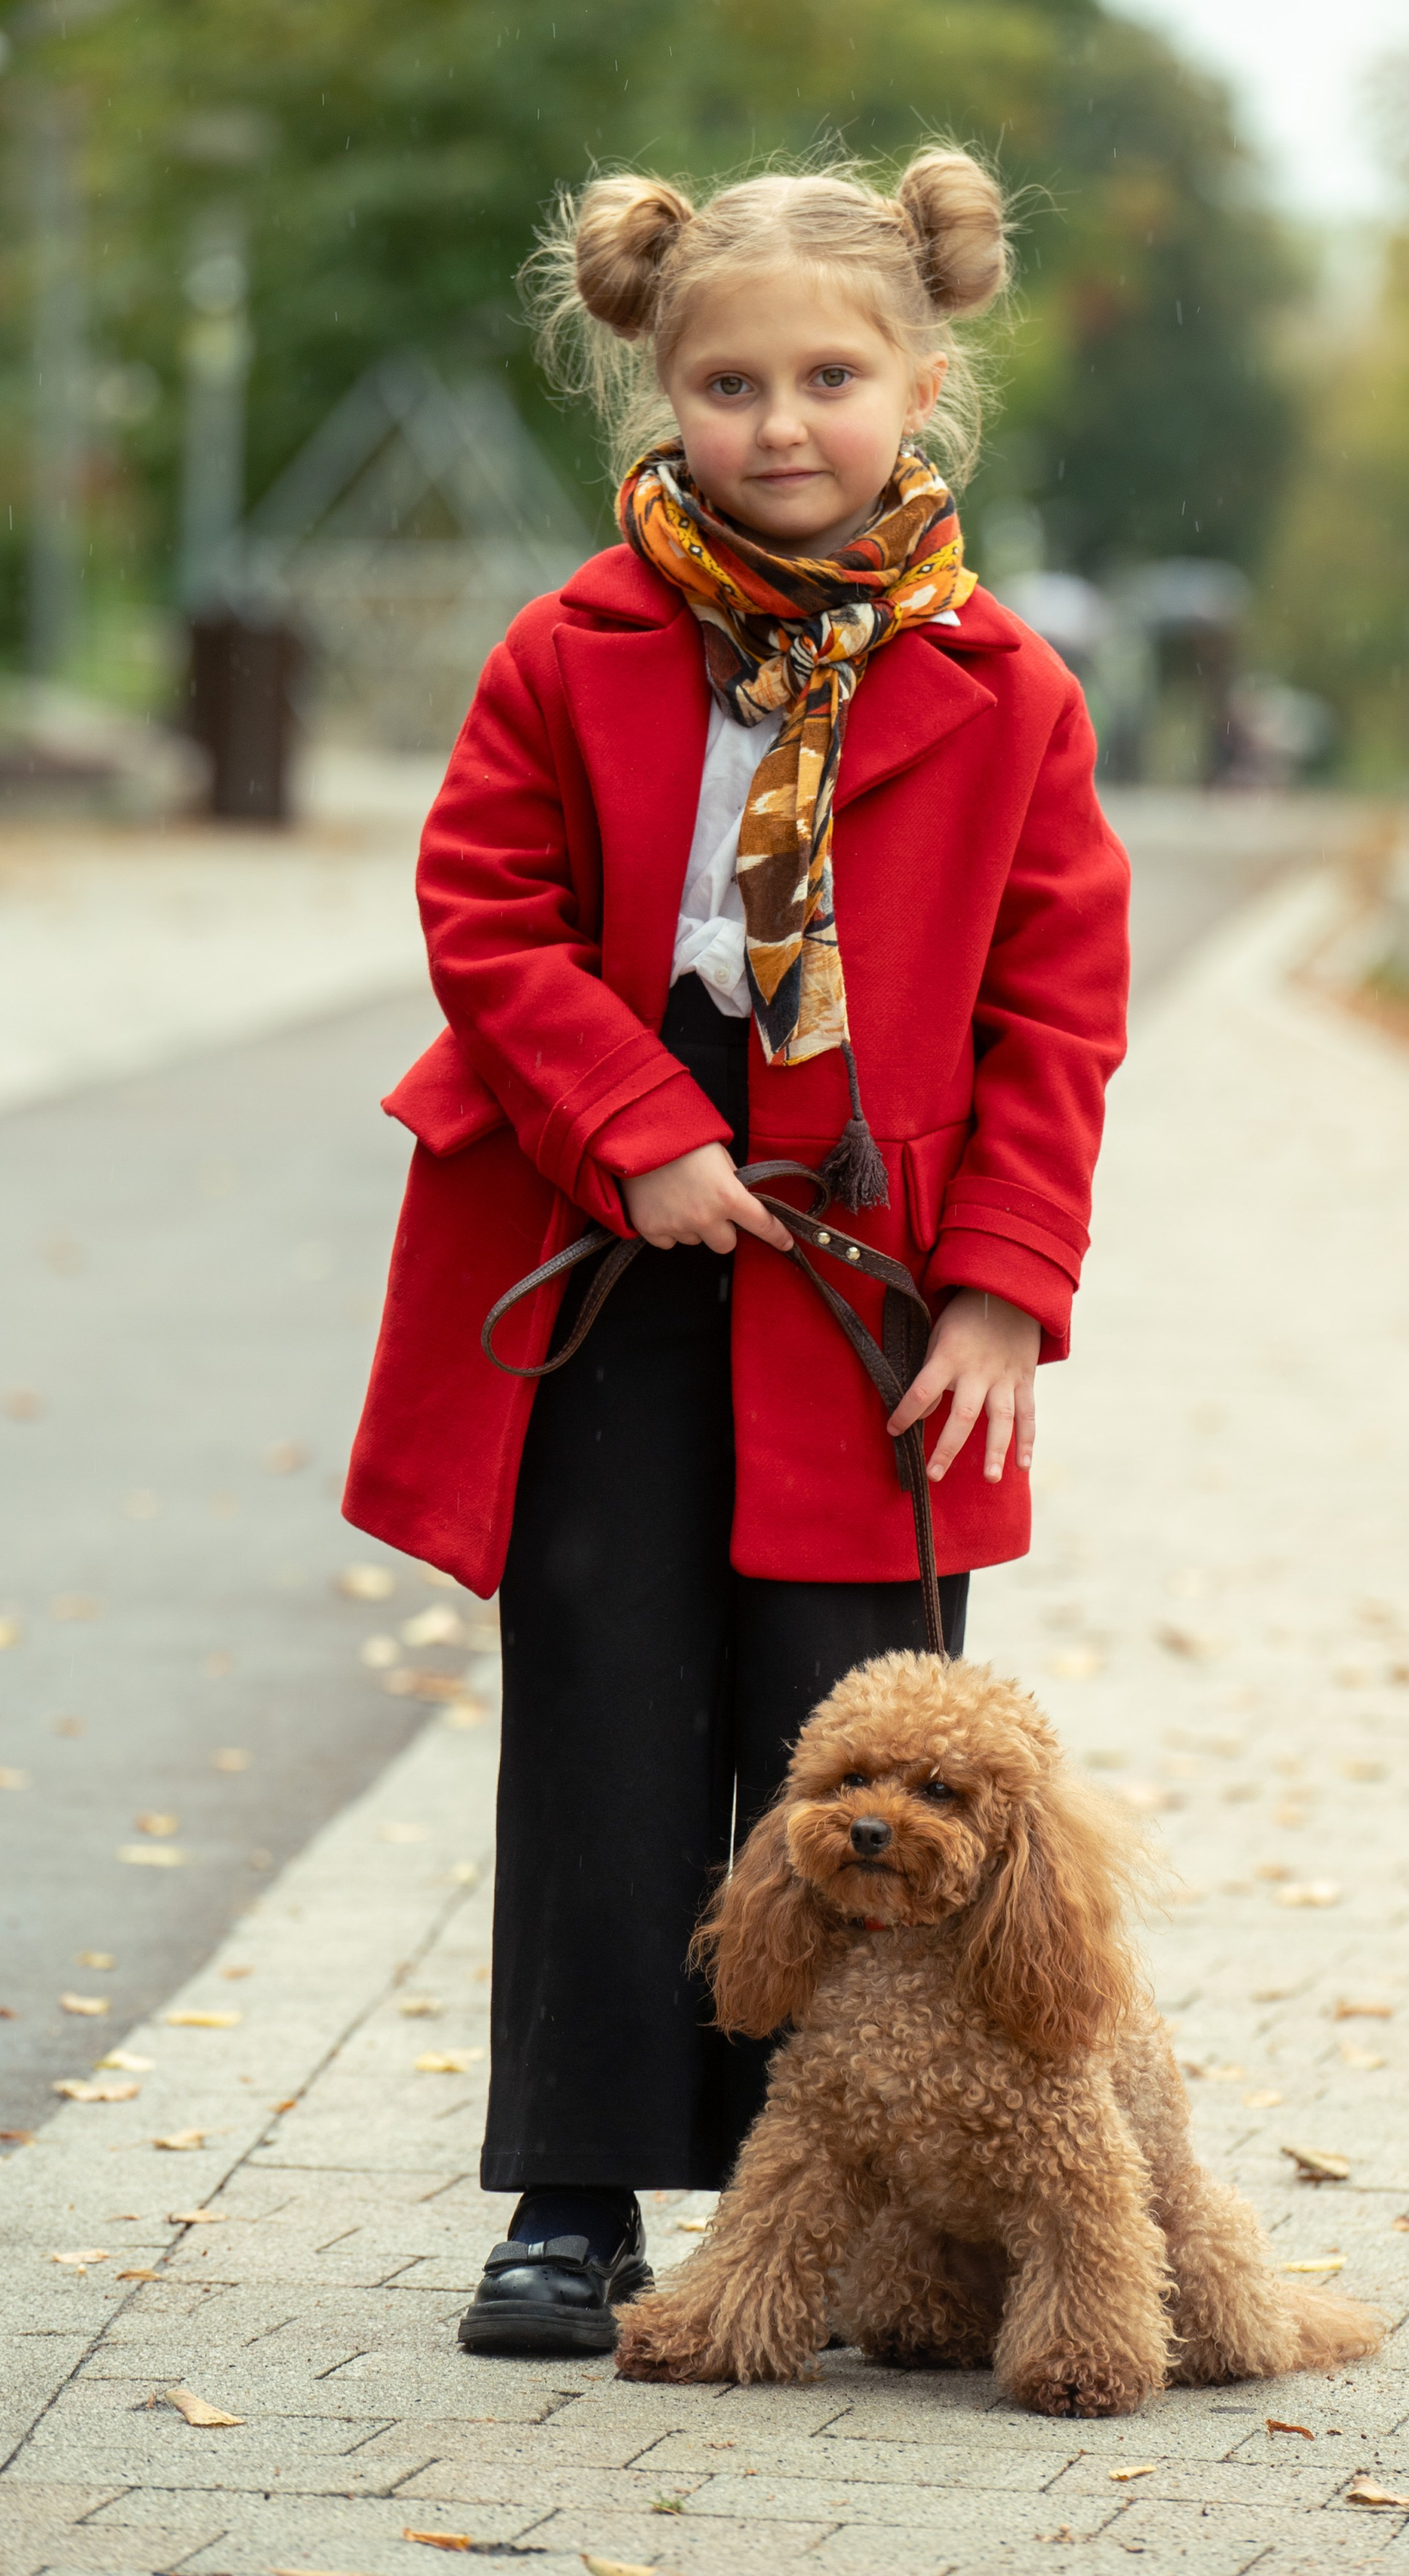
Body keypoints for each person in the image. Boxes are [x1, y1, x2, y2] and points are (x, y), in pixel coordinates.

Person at [341, 148, 1132, 2356]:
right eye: (729, 380)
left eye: (829, 375)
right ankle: (574, 2196)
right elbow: (484, 916)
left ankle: (874, 2217)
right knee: (604, 1710)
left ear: (922, 381)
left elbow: (1061, 1005)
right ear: (657, 388)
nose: (781, 422)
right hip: (612, 1244)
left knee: (853, 1749)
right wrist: (634, 1128)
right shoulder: (569, 649)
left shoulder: (1008, 686)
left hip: (875, 1280)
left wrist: (1002, 1286)